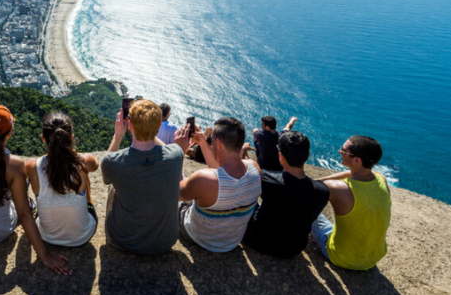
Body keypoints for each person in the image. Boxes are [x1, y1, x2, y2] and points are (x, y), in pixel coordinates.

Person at [0, 105, 71, 274]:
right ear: (9, 132)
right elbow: (24, 215)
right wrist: (45, 255)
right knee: (24, 195)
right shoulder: (15, 164)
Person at [101, 99, 184, 256]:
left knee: (112, 185)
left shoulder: (113, 162)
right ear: (159, 126)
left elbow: (105, 178)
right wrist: (150, 128)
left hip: (123, 240)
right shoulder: (176, 154)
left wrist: (117, 136)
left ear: (130, 126)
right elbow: (164, 148)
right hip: (164, 242)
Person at [177, 118, 262, 253]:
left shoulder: (204, 179)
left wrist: (179, 151)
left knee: (178, 188)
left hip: (200, 237)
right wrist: (203, 143)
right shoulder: (255, 168)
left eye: (212, 138)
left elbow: (175, 193)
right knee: (196, 188)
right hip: (232, 241)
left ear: (217, 142)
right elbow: (221, 174)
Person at [243, 131, 330, 258]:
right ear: (308, 155)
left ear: (281, 157)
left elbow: (244, 172)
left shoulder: (267, 179)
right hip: (294, 249)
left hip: (257, 240)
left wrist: (243, 152)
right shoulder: (323, 191)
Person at [311, 136, 391, 271]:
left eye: (343, 151)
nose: (339, 151)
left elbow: (306, 190)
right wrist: (320, 179)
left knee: (312, 212)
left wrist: (315, 182)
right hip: (372, 258)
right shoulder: (380, 178)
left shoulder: (338, 189)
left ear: (356, 160)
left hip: (342, 258)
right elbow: (351, 173)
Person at [25, 112, 100, 247]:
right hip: (82, 237)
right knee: (84, 175)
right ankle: (88, 202)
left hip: (46, 236)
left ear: (43, 138)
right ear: (71, 138)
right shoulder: (85, 161)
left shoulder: (31, 166)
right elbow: (95, 166)